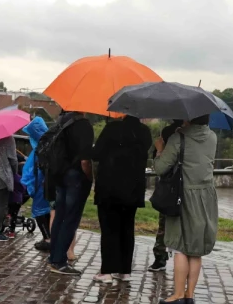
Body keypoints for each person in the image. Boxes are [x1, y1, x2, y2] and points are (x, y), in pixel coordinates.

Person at [155, 115, 218, 304]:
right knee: (196, 247)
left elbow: (160, 168)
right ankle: (190, 295)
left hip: (183, 196)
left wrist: (160, 149)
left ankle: (178, 294)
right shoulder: (212, 137)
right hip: (206, 196)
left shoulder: (178, 138)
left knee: (180, 246)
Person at [92, 113, 153, 282]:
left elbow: (96, 154)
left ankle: (107, 271)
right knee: (127, 228)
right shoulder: (144, 132)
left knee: (109, 229)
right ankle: (125, 270)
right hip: (133, 189)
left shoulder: (112, 128)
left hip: (109, 187)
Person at [48, 111, 95, 275]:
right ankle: (59, 261)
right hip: (76, 178)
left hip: (60, 175)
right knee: (70, 219)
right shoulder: (84, 126)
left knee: (59, 217)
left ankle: (53, 256)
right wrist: (90, 177)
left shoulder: (62, 123)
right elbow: (85, 160)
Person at [150, 120, 184, 271]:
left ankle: (160, 257)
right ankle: (182, 257)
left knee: (164, 222)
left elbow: (158, 164)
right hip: (185, 184)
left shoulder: (169, 132)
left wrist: (159, 150)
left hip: (169, 184)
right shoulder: (191, 133)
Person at [21, 118, 52, 250]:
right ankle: (50, 237)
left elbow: (33, 171)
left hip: (41, 185)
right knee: (49, 211)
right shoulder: (51, 145)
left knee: (39, 212)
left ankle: (47, 239)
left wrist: (31, 186)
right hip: (49, 185)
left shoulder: (40, 149)